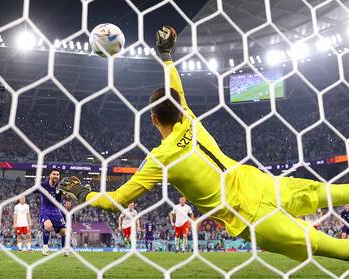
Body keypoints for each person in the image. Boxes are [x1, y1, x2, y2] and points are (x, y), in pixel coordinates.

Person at [57, 26, 349, 262]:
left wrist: (83, 192)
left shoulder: (161, 158)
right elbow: (176, 87)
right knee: (334, 192)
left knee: (329, 247)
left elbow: (116, 201)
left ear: (153, 120)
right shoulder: (190, 121)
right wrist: (166, 55)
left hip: (249, 216)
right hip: (259, 183)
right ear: (180, 109)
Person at [37, 168, 69, 256]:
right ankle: (45, 247)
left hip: (56, 211)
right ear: (50, 176)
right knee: (48, 225)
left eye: (57, 175)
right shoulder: (43, 185)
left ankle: (64, 249)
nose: (56, 176)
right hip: (45, 210)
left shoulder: (60, 187)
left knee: (64, 232)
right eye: (54, 174)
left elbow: (68, 193)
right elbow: (33, 190)